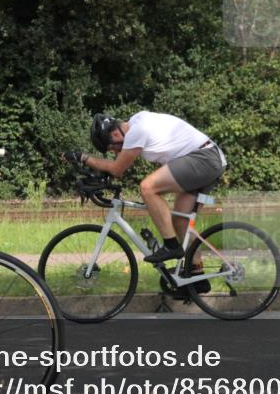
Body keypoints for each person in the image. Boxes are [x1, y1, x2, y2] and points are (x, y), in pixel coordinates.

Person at [67, 111, 226, 278]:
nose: (115, 151)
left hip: (203, 158)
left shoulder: (137, 132)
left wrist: (84, 158)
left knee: (148, 188)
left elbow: (117, 169)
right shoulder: (136, 122)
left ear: (114, 133)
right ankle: (196, 273)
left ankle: (171, 246)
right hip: (206, 158)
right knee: (180, 220)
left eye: (112, 147)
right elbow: (116, 165)